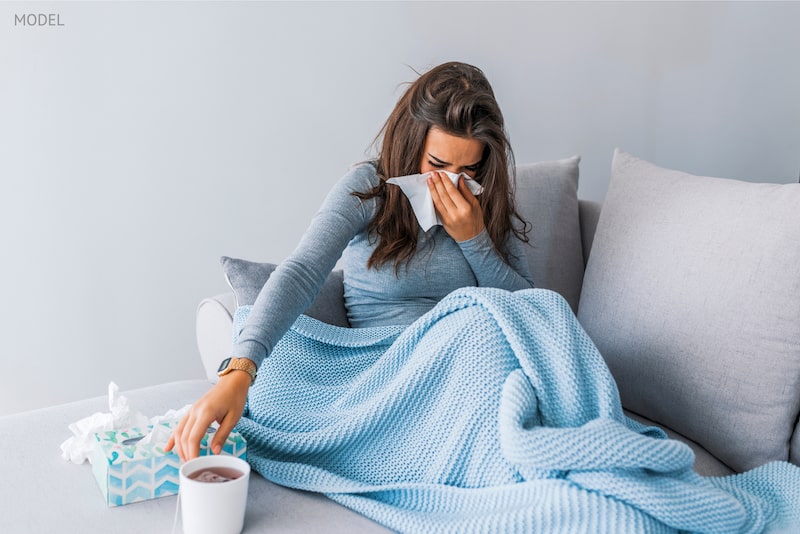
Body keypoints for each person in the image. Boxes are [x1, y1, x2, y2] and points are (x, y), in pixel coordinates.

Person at [167, 61, 534, 462]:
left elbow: (531, 313)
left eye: (468, 169)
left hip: (464, 362)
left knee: (505, 332)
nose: (451, 183)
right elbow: (302, 271)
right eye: (438, 165)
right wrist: (240, 369)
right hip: (384, 369)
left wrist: (474, 239)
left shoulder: (487, 201)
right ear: (412, 145)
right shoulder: (369, 188)